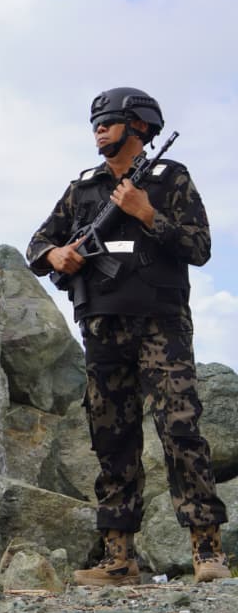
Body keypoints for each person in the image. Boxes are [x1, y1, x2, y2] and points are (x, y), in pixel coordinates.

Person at [26, 88, 228, 586]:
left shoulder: (170, 178)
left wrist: (145, 213)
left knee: (180, 432)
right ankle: (119, 559)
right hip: (102, 327)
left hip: (161, 326)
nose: (98, 128)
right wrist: (57, 257)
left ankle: (207, 551)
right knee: (111, 440)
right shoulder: (83, 189)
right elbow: (37, 244)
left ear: (137, 127)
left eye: (109, 121)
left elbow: (199, 247)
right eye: (95, 122)